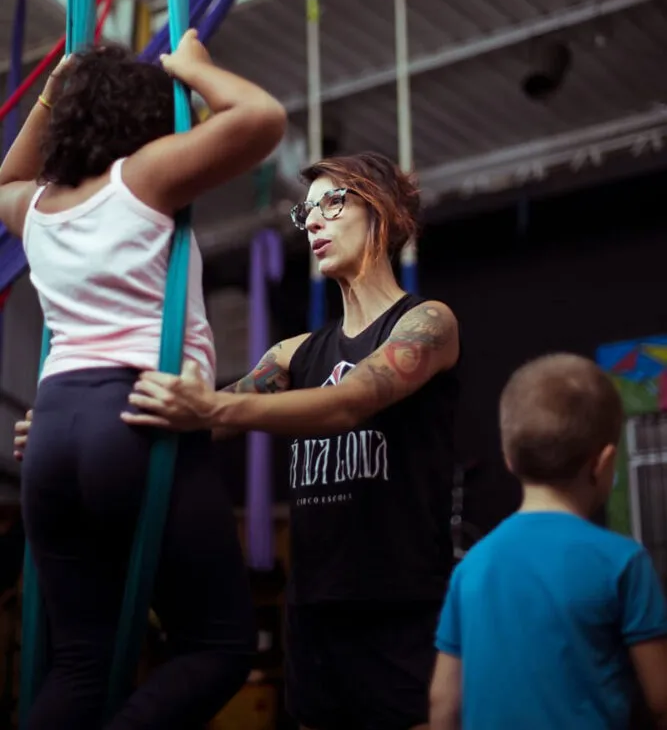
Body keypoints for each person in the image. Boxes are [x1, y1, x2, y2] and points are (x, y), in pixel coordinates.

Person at [97, 151, 462, 730]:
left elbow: (351, 401)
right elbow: (193, 423)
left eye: (331, 203)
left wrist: (215, 406)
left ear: (382, 211)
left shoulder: (428, 324)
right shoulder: (291, 355)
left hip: (402, 608)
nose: (312, 221)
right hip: (314, 612)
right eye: (305, 211)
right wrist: (75, 423)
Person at [1, 30, 286, 730]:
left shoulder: (36, 207)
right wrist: (194, 68)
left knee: (81, 664)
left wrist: (50, 97)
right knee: (218, 647)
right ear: (142, 122)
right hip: (135, 415)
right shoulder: (144, 176)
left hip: (53, 427)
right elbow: (261, 118)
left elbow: (5, 178)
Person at [429, 353, 667, 730]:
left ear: (508, 459)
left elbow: (443, 702)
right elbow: (660, 701)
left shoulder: (471, 567)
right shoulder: (624, 561)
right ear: (603, 462)